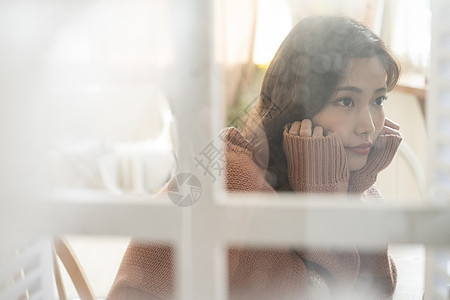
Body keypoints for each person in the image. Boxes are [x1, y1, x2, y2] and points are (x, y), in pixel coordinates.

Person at [107, 15, 402, 299]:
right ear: (299, 105)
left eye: (378, 100)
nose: (369, 125)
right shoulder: (236, 177)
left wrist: (356, 189)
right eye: (346, 101)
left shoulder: (330, 170)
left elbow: (376, 289)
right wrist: (325, 200)